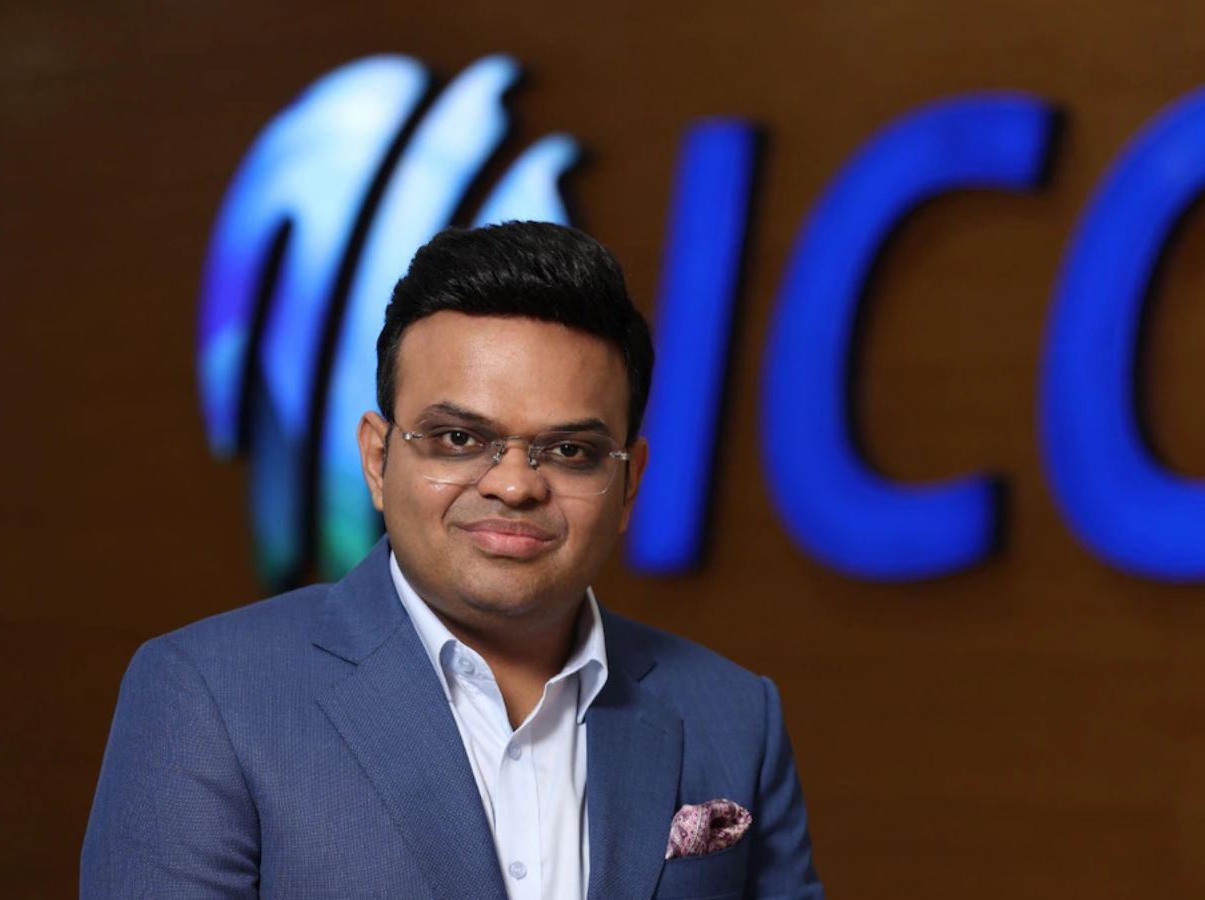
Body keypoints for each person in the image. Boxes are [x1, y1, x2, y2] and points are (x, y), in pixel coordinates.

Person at [81, 222, 822, 899]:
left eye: (569, 451)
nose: (513, 484)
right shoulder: (209, 695)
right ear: (377, 459)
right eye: (459, 440)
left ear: (628, 483)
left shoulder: (734, 714)